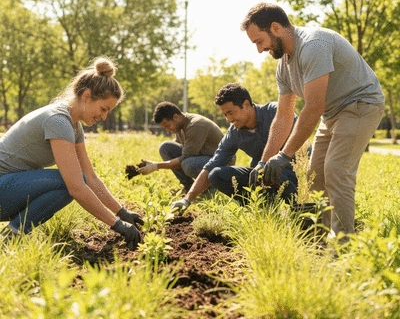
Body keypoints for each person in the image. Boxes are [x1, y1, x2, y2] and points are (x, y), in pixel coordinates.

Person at [240, 3, 385, 239]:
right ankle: (320, 241)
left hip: (361, 104)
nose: (259, 50)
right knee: (314, 177)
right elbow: (283, 116)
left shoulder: (313, 45)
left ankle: (342, 248)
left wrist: (284, 156)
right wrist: (264, 162)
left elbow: (313, 107)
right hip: (332, 114)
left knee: (336, 171)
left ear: (276, 27)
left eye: (259, 41)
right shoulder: (284, 66)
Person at [0, 57, 143, 249]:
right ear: (86, 96)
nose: (104, 116)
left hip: (9, 189)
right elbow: (76, 186)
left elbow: (91, 178)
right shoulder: (57, 121)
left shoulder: (73, 126)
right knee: (69, 183)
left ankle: (12, 234)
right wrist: (117, 225)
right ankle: (11, 237)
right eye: (103, 108)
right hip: (4, 188)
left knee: (76, 180)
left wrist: (122, 212)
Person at [171, 83, 299, 211]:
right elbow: (212, 165)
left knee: (268, 171)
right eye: (225, 115)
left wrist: (266, 162)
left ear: (246, 105)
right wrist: (187, 199)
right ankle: (260, 207)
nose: (228, 119)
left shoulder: (275, 112)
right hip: (265, 174)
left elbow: (300, 136)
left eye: (230, 112)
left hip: (296, 170)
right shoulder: (234, 133)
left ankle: (290, 204)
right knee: (216, 174)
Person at [137, 102, 226, 192]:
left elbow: (184, 158)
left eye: (168, 126)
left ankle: (208, 189)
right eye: (165, 128)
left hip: (220, 162)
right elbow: (177, 148)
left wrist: (156, 166)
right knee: (165, 148)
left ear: (175, 117)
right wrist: (152, 164)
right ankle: (189, 187)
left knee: (188, 164)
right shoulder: (180, 126)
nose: (168, 130)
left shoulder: (195, 125)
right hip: (202, 157)